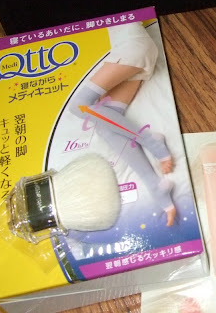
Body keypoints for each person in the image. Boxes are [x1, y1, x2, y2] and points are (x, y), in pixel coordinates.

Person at [67, 21, 176, 226]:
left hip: (132, 45)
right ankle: (157, 187)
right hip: (131, 49)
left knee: (78, 105)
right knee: (105, 125)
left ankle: (150, 140)